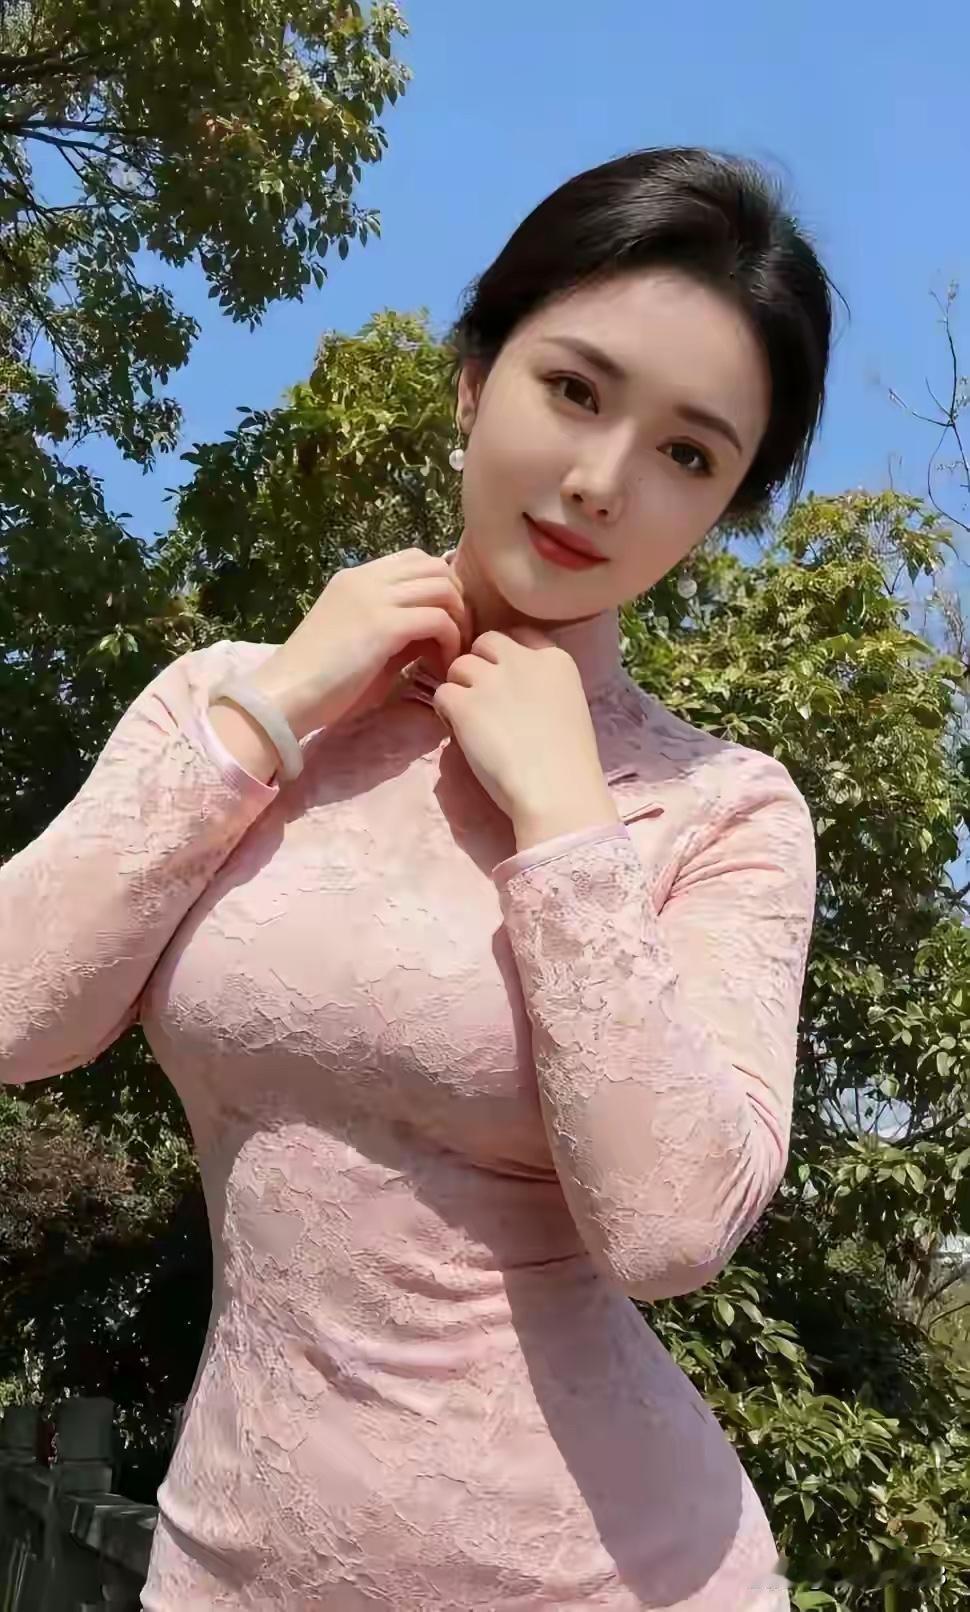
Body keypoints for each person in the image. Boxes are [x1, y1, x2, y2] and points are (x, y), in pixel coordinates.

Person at [0, 146, 833, 1610]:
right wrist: (276, 708)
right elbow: (17, 1018)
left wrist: (563, 821)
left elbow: (667, 1231)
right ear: (471, 380)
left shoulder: (722, 808)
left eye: (689, 456)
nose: (600, 481)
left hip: (613, 1582)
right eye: (572, 389)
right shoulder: (228, 703)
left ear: (723, 510)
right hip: (228, 1566)